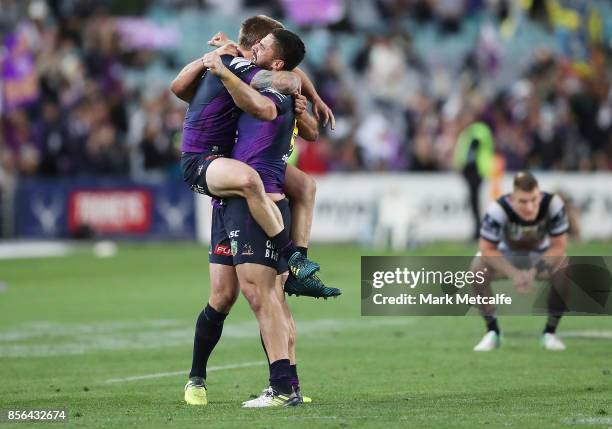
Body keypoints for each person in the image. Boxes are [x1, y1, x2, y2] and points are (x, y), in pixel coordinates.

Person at [171, 16, 335, 297]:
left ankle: (301, 260)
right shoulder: (236, 65)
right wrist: (208, 61)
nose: (263, 46)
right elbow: (277, 93)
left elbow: (296, 84)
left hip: (245, 164)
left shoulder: (247, 65)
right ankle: (292, 257)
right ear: (261, 45)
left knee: (306, 186)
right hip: (211, 162)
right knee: (233, 295)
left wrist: (313, 99)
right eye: (268, 41)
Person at [206, 28, 311, 407]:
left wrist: (223, 68)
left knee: (259, 294)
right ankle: (290, 384)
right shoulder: (277, 87)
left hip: (258, 200)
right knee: (270, 297)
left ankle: (282, 388)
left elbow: (259, 102)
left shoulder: (275, 93)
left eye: (263, 46)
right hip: (264, 198)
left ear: (277, 64)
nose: (255, 49)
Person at [471, 171, 570, 352]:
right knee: (477, 270)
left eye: (533, 199)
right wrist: (514, 274)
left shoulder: (552, 205)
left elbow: (558, 247)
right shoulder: (498, 210)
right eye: (523, 202)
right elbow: (486, 249)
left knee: (564, 266)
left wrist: (532, 272)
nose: (530, 207)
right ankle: (492, 331)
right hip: (507, 255)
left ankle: (550, 332)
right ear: (512, 199)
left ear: (539, 195)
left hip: (539, 256)